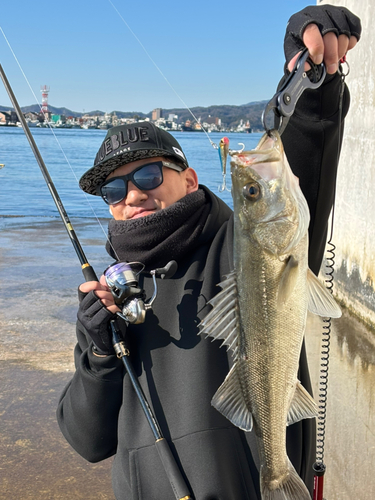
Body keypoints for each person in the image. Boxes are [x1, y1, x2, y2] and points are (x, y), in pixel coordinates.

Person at [57, 5, 361, 499]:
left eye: (148, 176)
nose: (132, 195)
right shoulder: (116, 295)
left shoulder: (237, 245)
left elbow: (302, 162)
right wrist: (96, 348)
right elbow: (88, 441)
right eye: (113, 190)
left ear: (190, 179)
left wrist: (312, 82)